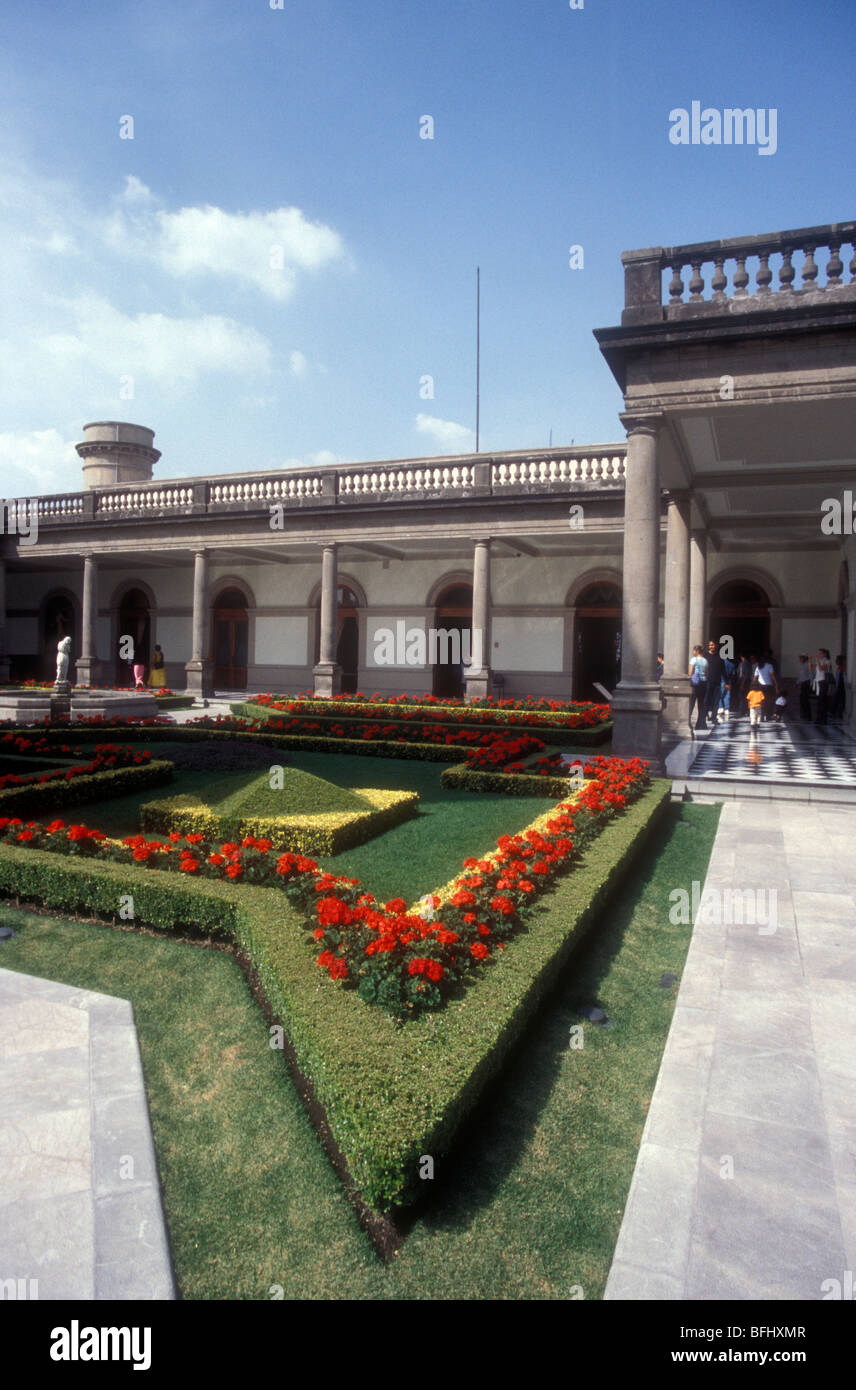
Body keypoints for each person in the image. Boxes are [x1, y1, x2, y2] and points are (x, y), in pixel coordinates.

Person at [688, 644, 708, 730]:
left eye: (693, 650)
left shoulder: (694, 659)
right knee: (701, 704)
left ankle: (688, 721)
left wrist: (690, 679)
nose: (693, 652)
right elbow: (707, 673)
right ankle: (700, 723)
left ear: (696, 651)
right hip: (703, 683)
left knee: (691, 702)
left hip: (695, 683)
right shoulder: (705, 661)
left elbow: (690, 672)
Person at [755, 651, 778, 723]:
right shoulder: (769, 666)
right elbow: (772, 676)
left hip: (760, 686)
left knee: (761, 702)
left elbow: (755, 678)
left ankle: (761, 717)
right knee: (768, 702)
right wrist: (776, 684)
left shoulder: (758, 667)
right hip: (768, 686)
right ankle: (767, 716)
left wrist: (753, 686)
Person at [704, 640, 723, 727]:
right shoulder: (705, 656)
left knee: (716, 701)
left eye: (713, 645)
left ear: (716, 646)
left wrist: (727, 682)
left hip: (717, 682)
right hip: (707, 682)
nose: (711, 646)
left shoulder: (719, 657)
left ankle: (714, 717)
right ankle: (704, 716)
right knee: (706, 700)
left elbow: (723, 669)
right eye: (710, 645)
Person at [814, 648, 832, 725]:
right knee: (820, 701)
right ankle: (819, 718)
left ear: (825, 654)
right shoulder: (820, 661)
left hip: (824, 681)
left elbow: (821, 669)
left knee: (823, 700)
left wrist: (817, 661)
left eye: (820, 653)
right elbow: (812, 668)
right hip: (819, 681)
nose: (819, 655)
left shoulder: (827, 661)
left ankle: (823, 719)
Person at [831, 655, 847, 721]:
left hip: (841, 687)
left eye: (837, 660)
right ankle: (835, 713)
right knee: (837, 700)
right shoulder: (839, 668)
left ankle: (837, 713)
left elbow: (843, 679)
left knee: (838, 700)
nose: (836, 661)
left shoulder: (842, 669)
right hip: (838, 686)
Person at [797, 653, 813, 721]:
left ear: (804, 658)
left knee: (805, 700)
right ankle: (804, 714)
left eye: (801, 658)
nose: (800, 659)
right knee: (802, 699)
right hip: (803, 683)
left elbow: (811, 674)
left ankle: (808, 715)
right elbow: (801, 676)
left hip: (807, 683)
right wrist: (797, 682)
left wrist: (811, 684)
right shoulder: (803, 665)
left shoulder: (807, 665)